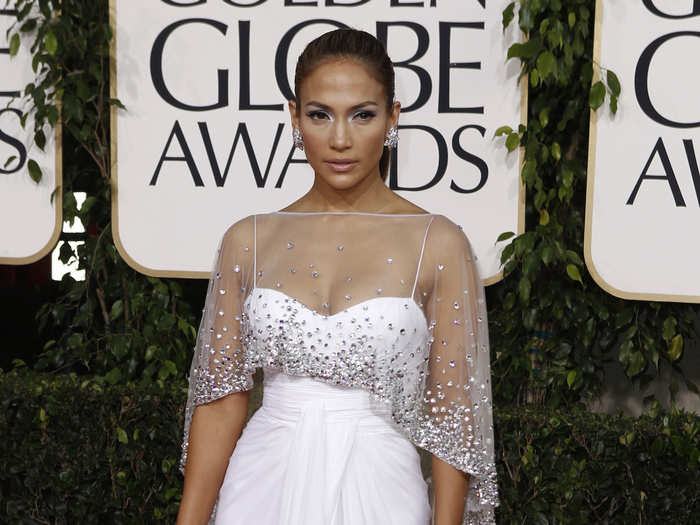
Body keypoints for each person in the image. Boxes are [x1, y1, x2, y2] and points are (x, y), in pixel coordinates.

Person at [176, 28, 497, 525]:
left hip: (381, 487)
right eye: (319, 114)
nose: (340, 139)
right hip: (260, 483)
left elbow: (452, 416)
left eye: (362, 115)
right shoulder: (248, 239)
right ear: (294, 117)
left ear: (393, 118)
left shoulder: (439, 243)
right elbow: (220, 402)